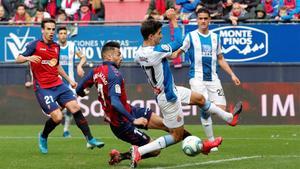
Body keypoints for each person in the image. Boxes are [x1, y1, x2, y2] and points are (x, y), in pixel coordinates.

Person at [76, 41, 218, 166]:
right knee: (155, 150)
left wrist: (83, 93)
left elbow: (78, 89)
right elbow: (114, 102)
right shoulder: (114, 74)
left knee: (169, 126)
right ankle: (121, 156)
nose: (121, 57)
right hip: (121, 123)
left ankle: (202, 145)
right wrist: (133, 120)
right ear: (108, 57)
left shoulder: (95, 71)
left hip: (129, 110)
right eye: (118, 54)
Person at [133, 8, 242, 168]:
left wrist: (166, 55)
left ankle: (228, 118)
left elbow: (163, 56)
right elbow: (178, 42)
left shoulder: (138, 53)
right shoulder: (155, 51)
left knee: (200, 98)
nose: (161, 36)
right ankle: (139, 152)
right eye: (158, 34)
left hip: (170, 89)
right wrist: (173, 20)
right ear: (151, 36)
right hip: (168, 96)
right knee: (176, 136)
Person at [15, 18, 104, 154]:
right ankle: (43, 136)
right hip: (43, 87)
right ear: (42, 30)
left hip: (58, 84)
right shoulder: (34, 45)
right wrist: (28, 58)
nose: (51, 32)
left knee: (75, 107)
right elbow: (18, 58)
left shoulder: (56, 47)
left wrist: (69, 80)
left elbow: (57, 66)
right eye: (48, 29)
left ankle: (90, 139)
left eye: (53, 29)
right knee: (57, 117)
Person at [173, 8, 241, 152]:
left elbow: (220, 58)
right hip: (196, 77)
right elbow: (178, 52)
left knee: (218, 108)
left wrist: (232, 74)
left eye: (205, 18)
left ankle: (226, 119)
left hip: (213, 78)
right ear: (197, 20)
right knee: (204, 104)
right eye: (200, 18)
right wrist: (168, 55)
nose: (203, 21)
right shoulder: (191, 36)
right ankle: (212, 141)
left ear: (209, 20)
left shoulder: (215, 37)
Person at [57, 26, 87, 137]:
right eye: (61, 33)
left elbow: (83, 57)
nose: (63, 35)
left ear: (67, 35)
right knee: (58, 110)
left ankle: (65, 130)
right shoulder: (54, 47)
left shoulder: (72, 46)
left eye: (65, 33)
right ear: (57, 35)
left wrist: (79, 65)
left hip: (70, 83)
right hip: (56, 82)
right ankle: (46, 132)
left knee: (71, 108)